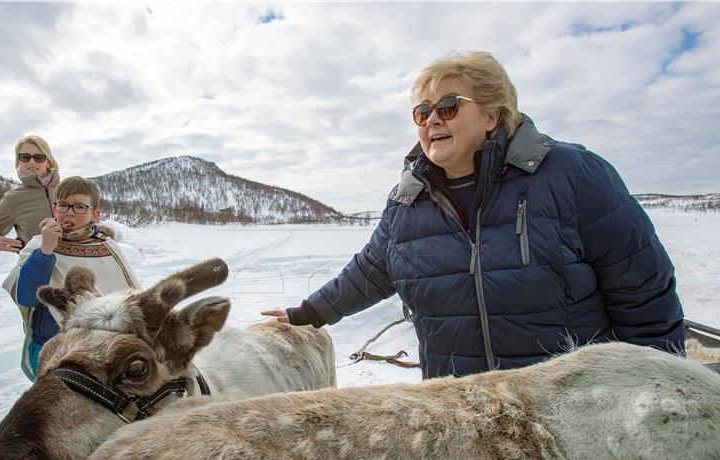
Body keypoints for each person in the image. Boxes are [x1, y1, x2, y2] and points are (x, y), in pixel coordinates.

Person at [263, 51, 684, 379]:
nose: (432, 120)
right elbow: (369, 272)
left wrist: (661, 389)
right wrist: (307, 313)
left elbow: (643, 291)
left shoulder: (572, 175)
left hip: (571, 414)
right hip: (464, 422)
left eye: (448, 106)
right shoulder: (407, 201)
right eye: (422, 112)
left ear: (492, 114)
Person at [3, 176, 140, 380]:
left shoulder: (107, 247)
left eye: (79, 207)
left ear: (94, 214)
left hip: (101, 347)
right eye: (63, 205)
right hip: (51, 346)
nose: (69, 212)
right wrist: (45, 252)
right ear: (54, 209)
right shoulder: (39, 245)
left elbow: (129, 297)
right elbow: (27, 297)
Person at [0, 135, 60, 253]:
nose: (32, 162)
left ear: (49, 161)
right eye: (25, 157)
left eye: (39, 157)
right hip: (36, 267)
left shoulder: (67, 190)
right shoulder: (13, 198)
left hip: (72, 267)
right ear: (18, 161)